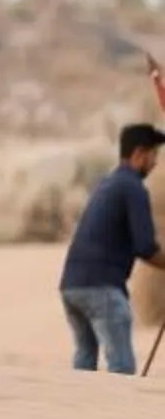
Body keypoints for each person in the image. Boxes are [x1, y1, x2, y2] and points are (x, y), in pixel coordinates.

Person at [55, 72, 164, 373]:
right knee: (121, 370)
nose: (155, 163)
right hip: (101, 289)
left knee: (84, 364)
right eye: (154, 156)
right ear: (139, 154)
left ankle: (77, 416)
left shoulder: (109, 183)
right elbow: (145, 246)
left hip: (72, 286)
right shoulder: (133, 188)